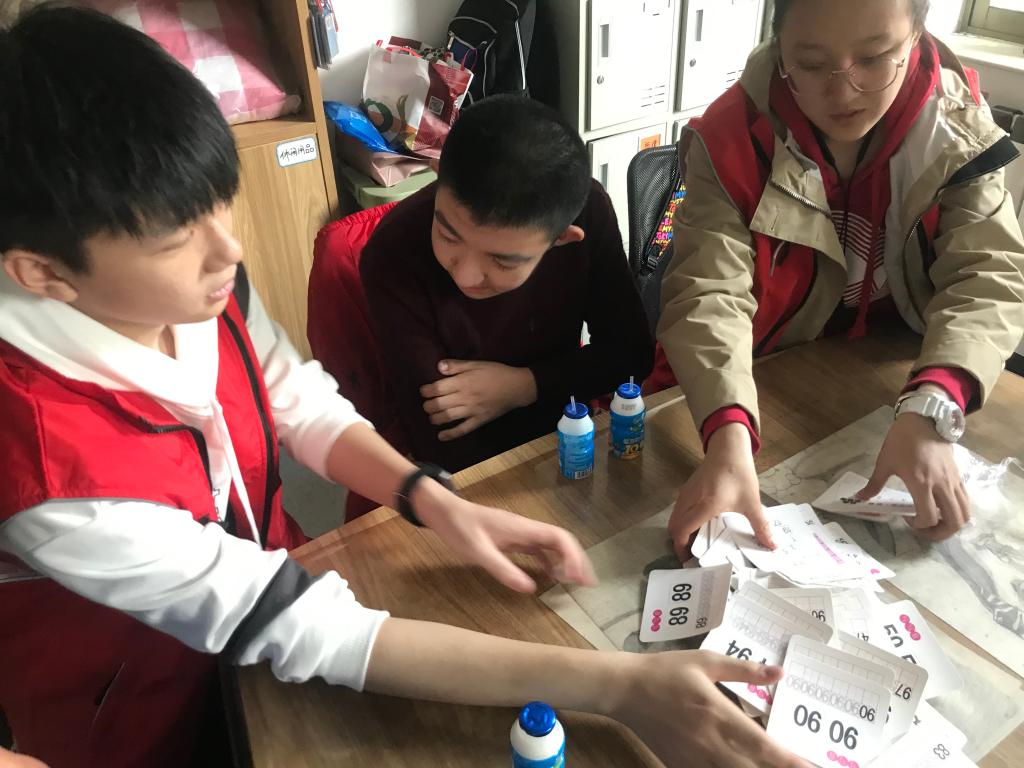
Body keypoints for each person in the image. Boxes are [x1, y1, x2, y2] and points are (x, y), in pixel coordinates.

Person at [0, 8, 804, 768]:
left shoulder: (195, 289)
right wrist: (618, 686)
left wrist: (434, 501)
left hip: (267, 595)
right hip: (142, 711)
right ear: (42, 273)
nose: (230, 252)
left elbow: (295, 398)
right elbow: (303, 627)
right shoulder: (53, 474)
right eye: (179, 239)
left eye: (220, 206)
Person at [657, 0, 1024, 556]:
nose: (844, 90)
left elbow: (986, 274)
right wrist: (728, 433)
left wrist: (933, 404)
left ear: (917, 36)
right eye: (810, 64)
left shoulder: (957, 127)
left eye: (873, 59)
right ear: (779, 46)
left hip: (887, 371)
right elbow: (709, 292)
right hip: (764, 373)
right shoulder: (730, 137)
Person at [360, 95, 655, 472]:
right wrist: (568, 379)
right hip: (473, 466)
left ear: (561, 240)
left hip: (568, 433)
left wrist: (523, 386)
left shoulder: (584, 211)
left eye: (501, 260)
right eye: (448, 236)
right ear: (438, 172)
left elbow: (631, 354)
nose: (465, 276)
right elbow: (443, 431)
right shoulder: (392, 251)